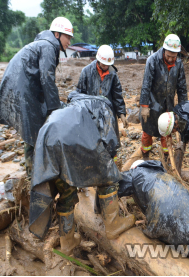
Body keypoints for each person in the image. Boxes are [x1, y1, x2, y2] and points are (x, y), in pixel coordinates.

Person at [29, 93, 135, 255]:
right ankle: (113, 225)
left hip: (48, 137)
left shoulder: (71, 107)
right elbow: (110, 144)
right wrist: (108, 170)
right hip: (70, 142)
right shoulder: (104, 106)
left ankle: (67, 243)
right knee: (109, 179)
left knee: (66, 189)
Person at [0, 17, 74, 178]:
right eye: (68, 37)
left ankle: (35, 174)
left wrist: (52, 106)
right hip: (23, 91)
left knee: (34, 132)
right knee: (35, 133)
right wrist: (55, 110)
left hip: (21, 89)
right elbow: (47, 78)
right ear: (57, 34)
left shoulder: (43, 44)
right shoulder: (48, 46)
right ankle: (35, 178)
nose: (69, 43)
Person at [118, 160, 189, 273]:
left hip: (164, 213)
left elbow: (112, 186)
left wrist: (99, 208)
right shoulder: (159, 172)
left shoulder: (134, 174)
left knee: (162, 244)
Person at [139, 34, 188, 159]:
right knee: (148, 132)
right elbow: (146, 85)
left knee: (167, 132)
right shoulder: (152, 60)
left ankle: (167, 158)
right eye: (168, 56)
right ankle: (145, 155)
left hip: (168, 103)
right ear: (164, 50)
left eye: (174, 56)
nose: (171, 59)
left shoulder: (179, 64)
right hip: (152, 103)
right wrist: (144, 106)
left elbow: (182, 88)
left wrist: (184, 110)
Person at [77, 44, 128, 161]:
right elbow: (79, 94)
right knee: (93, 140)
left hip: (108, 113)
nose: (105, 67)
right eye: (103, 64)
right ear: (98, 60)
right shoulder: (86, 72)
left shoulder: (112, 74)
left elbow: (117, 95)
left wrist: (122, 114)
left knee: (111, 141)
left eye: (108, 65)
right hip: (91, 112)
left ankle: (113, 164)